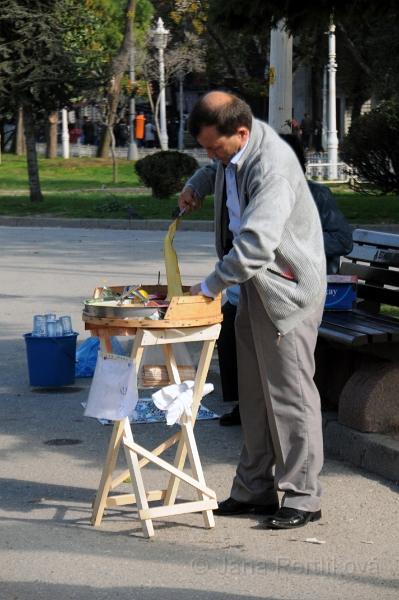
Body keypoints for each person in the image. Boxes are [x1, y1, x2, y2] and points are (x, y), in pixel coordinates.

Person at [178, 91, 326, 530]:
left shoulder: (273, 166)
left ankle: (303, 495)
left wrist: (208, 288)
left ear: (240, 133)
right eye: (203, 147)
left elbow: (257, 244)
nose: (210, 155)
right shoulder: (237, 150)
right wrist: (197, 183)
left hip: (286, 291)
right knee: (255, 395)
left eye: (214, 146)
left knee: (290, 395)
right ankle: (255, 488)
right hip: (253, 288)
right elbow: (217, 168)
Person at [219, 133, 354, 427]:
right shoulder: (261, 195)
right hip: (266, 288)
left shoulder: (317, 195)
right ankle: (245, 405)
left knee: (290, 377)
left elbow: (343, 239)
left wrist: (294, 246)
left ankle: (282, 427)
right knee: (229, 320)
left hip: (304, 290)